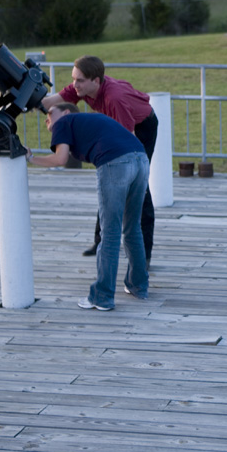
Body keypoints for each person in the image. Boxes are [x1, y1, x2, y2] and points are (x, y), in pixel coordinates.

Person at [27, 102, 150, 311]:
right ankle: (138, 286)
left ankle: (102, 297)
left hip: (116, 163)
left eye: (50, 113)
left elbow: (60, 158)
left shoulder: (64, 121)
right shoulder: (86, 122)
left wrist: (29, 158)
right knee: (132, 228)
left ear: (65, 112)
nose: (46, 118)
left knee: (109, 232)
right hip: (141, 159)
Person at [41, 56, 158, 262]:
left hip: (140, 129)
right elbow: (47, 103)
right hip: (115, 125)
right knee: (109, 181)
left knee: (138, 187)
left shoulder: (115, 98)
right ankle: (100, 242)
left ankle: (144, 256)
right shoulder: (81, 88)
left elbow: (130, 143)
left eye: (80, 80)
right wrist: (18, 97)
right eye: (73, 79)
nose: (74, 84)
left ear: (96, 81)